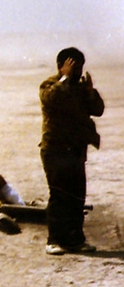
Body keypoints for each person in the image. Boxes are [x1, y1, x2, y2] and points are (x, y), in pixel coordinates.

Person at [39, 47, 104, 255]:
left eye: (79, 67)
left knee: (77, 197)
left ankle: (75, 240)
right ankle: (54, 240)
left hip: (75, 150)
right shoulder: (50, 85)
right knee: (59, 196)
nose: (77, 72)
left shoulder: (79, 88)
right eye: (73, 67)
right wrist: (65, 78)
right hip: (55, 149)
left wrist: (90, 91)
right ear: (61, 66)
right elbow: (51, 99)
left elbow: (98, 110)